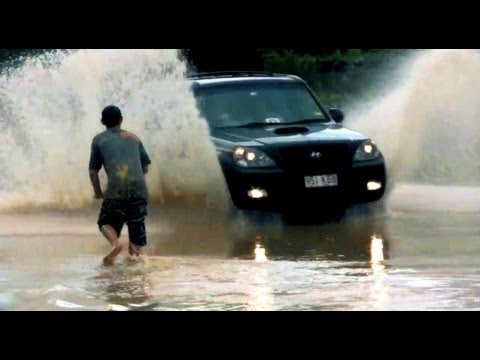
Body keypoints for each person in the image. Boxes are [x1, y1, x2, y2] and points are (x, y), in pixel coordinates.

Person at [88, 105, 152, 266]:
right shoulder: (134, 138)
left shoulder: (98, 140)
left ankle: (116, 245)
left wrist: (98, 192)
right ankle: (137, 264)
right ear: (121, 120)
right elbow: (145, 167)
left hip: (116, 189)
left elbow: (93, 171)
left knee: (105, 222)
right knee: (136, 233)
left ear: (102, 121)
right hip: (139, 190)